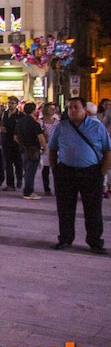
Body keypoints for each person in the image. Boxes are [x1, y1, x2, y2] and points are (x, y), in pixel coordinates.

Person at [48, 98, 111, 254]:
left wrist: (102, 173)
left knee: (93, 209)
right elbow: (52, 149)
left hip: (91, 173)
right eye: (70, 108)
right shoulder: (61, 127)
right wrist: (55, 169)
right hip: (66, 173)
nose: (72, 110)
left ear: (85, 110)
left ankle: (95, 241)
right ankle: (65, 239)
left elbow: (107, 150)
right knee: (65, 208)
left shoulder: (97, 127)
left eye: (76, 107)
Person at [14, 102, 46, 200]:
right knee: (31, 171)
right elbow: (41, 137)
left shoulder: (20, 122)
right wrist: (44, 148)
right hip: (33, 149)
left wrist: (22, 143)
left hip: (23, 149)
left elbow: (15, 137)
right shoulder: (34, 123)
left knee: (26, 169)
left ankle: (27, 190)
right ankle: (28, 191)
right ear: (33, 111)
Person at [0, 97, 23, 191]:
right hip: (6, 141)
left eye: (12, 103)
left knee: (18, 163)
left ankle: (19, 178)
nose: (10, 105)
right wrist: (1, 128)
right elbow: (1, 123)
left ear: (16, 104)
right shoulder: (4, 114)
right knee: (7, 164)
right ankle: (10, 184)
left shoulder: (20, 115)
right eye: (9, 103)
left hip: (16, 142)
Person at [39, 102, 60, 196]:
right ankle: (46, 188)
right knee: (46, 169)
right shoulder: (40, 122)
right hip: (45, 147)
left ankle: (58, 188)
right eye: (48, 108)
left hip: (56, 147)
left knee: (56, 170)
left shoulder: (58, 122)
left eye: (52, 109)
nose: (49, 110)